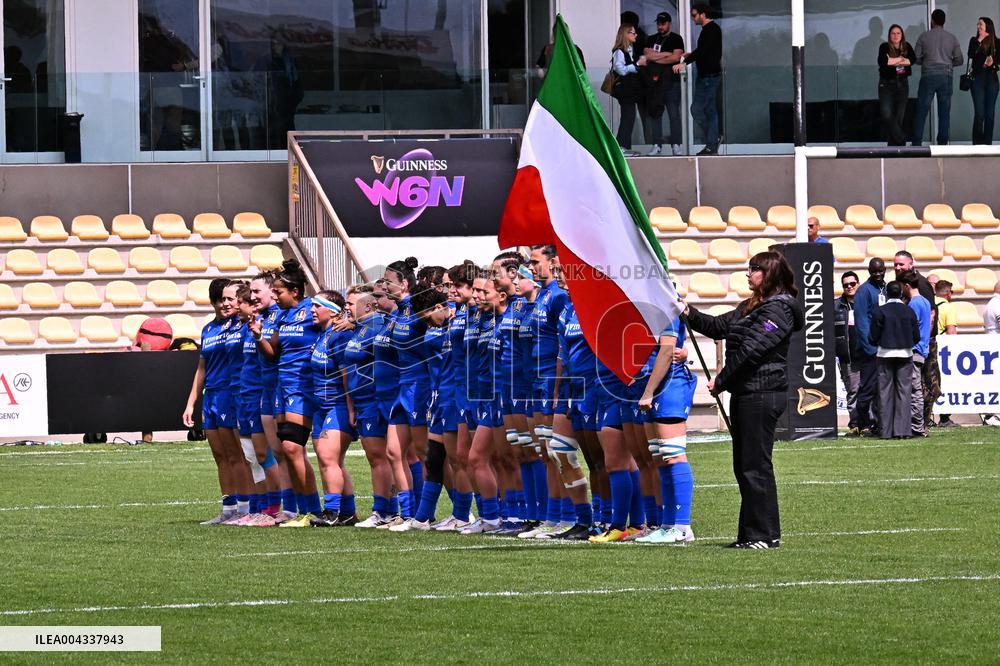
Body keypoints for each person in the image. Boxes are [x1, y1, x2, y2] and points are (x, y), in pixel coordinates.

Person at [684, 251, 804, 549]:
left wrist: (721, 380)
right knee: (747, 465)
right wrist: (685, 310)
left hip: (762, 393)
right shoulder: (752, 306)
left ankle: (759, 535)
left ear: (770, 274)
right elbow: (716, 327)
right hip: (747, 392)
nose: (748, 275)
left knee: (754, 465)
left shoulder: (779, 310)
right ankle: (760, 533)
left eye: (754, 270)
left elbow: (753, 351)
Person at [250, 259, 324, 527]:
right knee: (287, 450)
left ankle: (313, 509)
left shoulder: (311, 310)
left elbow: (335, 320)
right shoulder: (283, 316)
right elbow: (273, 353)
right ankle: (303, 511)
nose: (276, 296)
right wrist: (259, 336)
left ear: (295, 291)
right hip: (283, 387)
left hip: (303, 387)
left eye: (279, 291)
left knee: (293, 448)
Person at [182, 279, 253, 524]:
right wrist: (191, 402)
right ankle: (228, 508)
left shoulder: (241, 326)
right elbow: (201, 368)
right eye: (222, 299)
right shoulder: (209, 329)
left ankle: (245, 507)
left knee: (237, 454)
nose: (225, 304)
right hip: (211, 396)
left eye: (231, 299)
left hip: (231, 394)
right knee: (220, 456)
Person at [635, 315, 698, 544]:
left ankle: (682, 526)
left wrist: (649, 390)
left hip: (669, 384)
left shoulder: (664, 305)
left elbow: (667, 350)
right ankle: (668, 524)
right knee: (660, 457)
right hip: (650, 382)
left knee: (673, 455)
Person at [308, 290, 360, 527]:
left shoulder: (339, 336)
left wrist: (351, 408)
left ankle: (332, 511)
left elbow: (347, 374)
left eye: (316, 306)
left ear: (331, 310)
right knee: (330, 461)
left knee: (329, 457)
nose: (311, 310)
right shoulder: (323, 335)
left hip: (337, 404)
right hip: (320, 406)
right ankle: (347, 512)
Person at [893, 251, 939, 434]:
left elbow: (931, 315)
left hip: (920, 345)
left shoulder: (920, 285)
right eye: (895, 264)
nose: (897, 267)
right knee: (917, 385)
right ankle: (919, 423)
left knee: (925, 384)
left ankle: (922, 423)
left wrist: (923, 341)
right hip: (918, 344)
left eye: (901, 265)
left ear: (911, 264)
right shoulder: (906, 287)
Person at [869, 280, 921, 439]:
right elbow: (916, 337)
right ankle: (903, 431)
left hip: (884, 355)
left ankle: (885, 431)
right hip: (905, 355)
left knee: (884, 393)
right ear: (900, 293)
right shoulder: (909, 311)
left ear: (886, 294)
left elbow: (873, 336)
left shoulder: (880, 311)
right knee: (904, 392)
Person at [675, 3, 722, 155]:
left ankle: (712, 140)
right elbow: (704, 51)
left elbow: (703, 51)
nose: (693, 18)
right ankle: (712, 142)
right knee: (710, 110)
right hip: (706, 77)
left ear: (703, 14)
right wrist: (692, 55)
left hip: (710, 77)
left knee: (696, 109)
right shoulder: (708, 31)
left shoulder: (711, 30)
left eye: (694, 15)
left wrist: (684, 63)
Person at [911, 9, 964, 146]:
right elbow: (959, 60)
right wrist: (947, 63)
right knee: (944, 112)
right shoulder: (952, 38)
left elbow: (915, 58)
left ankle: (916, 143)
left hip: (928, 75)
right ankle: (942, 144)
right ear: (944, 21)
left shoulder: (924, 36)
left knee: (922, 110)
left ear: (932, 20)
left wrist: (927, 61)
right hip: (946, 76)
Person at [643, 12, 685, 156]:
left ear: (669, 23)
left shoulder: (676, 38)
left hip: (671, 82)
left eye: (663, 23)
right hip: (655, 83)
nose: (660, 26)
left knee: (674, 114)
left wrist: (657, 58)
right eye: (658, 23)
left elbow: (676, 57)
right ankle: (657, 145)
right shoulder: (651, 38)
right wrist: (666, 54)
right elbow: (647, 55)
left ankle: (676, 145)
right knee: (655, 113)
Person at [854, 259, 887, 435]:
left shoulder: (886, 288)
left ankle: (878, 422)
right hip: (871, 350)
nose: (878, 274)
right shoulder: (864, 291)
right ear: (869, 271)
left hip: (885, 347)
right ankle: (863, 422)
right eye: (874, 271)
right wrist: (870, 347)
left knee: (881, 389)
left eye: (880, 271)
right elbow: (861, 321)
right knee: (867, 388)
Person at [899, 271, 931, 437]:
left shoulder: (914, 304)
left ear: (906, 286)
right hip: (922, 349)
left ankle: (917, 427)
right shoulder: (925, 301)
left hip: (914, 350)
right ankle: (918, 425)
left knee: (914, 390)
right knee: (917, 389)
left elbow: (910, 328)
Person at [611, 23, 647, 157]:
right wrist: (637, 65)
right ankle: (621, 146)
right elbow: (620, 69)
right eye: (632, 33)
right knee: (628, 117)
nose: (635, 35)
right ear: (625, 34)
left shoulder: (631, 49)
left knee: (629, 117)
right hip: (624, 91)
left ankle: (625, 146)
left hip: (631, 91)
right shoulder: (619, 51)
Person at [878, 24, 916, 146]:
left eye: (898, 33)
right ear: (889, 35)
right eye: (893, 33)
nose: (895, 35)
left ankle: (894, 146)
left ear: (902, 35)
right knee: (887, 113)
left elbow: (912, 60)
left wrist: (893, 61)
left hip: (902, 84)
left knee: (899, 116)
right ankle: (901, 138)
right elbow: (884, 62)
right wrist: (902, 60)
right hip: (886, 85)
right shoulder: (884, 47)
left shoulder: (907, 46)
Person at [835, 271, 862, 433]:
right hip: (848, 356)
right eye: (846, 285)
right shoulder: (836, 306)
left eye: (852, 284)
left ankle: (869, 423)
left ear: (858, 283)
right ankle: (855, 424)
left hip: (866, 356)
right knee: (853, 391)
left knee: (870, 391)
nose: (849, 287)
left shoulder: (866, 303)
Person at [969, 17, 999, 144]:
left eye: (981, 24)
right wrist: (979, 40)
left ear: (988, 26)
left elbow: (998, 60)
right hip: (977, 79)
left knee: (990, 114)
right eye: (978, 24)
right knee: (979, 114)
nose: (978, 26)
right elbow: (970, 55)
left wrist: (992, 63)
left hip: (992, 79)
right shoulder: (974, 40)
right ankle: (977, 143)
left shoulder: (997, 42)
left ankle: (988, 143)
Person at [933, 280, 959, 428]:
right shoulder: (949, 308)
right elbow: (951, 332)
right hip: (943, 351)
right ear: (949, 293)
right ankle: (944, 418)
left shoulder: (928, 302)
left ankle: (926, 416)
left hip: (927, 348)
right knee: (944, 384)